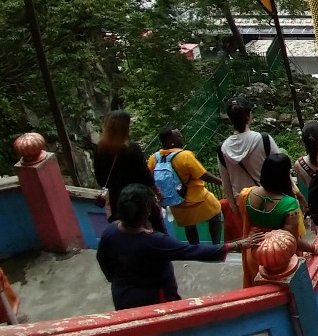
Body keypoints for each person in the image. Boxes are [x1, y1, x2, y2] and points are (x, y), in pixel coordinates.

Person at [96, 184, 261, 310]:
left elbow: (101, 258)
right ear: (147, 209)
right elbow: (192, 251)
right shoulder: (154, 240)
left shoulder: (110, 232)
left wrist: (115, 278)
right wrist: (237, 245)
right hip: (156, 300)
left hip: (121, 297)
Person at [237, 154, 318, 287]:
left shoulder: (247, 194)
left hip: (254, 252)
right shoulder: (289, 205)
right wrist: (315, 248)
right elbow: (291, 240)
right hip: (277, 256)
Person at [92, 109, 167, 234]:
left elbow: (101, 179)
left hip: (118, 201)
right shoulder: (132, 149)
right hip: (139, 197)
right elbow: (145, 176)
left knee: (125, 231)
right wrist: (157, 192)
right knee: (157, 227)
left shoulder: (100, 150)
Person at [148, 126, 223, 245]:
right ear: (169, 141)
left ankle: (195, 249)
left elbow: (149, 178)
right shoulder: (185, 155)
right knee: (216, 214)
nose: (181, 138)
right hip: (198, 200)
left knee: (189, 226)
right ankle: (216, 245)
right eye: (178, 136)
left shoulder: (154, 158)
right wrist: (221, 182)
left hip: (176, 203)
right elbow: (203, 175)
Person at [217, 96, 281, 229]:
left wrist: (235, 209)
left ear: (230, 119)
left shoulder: (223, 149)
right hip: (270, 199)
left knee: (256, 242)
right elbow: (281, 168)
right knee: (278, 241)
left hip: (244, 204)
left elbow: (226, 184)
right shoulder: (263, 140)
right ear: (249, 114)